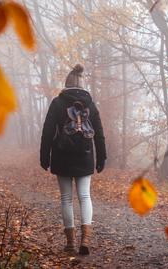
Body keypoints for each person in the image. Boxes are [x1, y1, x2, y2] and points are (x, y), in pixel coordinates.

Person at [40, 64, 106, 255]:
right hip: (85, 156)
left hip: (62, 156)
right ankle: (85, 239)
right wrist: (102, 157)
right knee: (85, 196)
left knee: (66, 199)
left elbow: (47, 131)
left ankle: (70, 242)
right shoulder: (90, 104)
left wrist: (45, 156)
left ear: (66, 85)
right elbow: (99, 133)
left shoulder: (57, 103)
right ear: (82, 85)